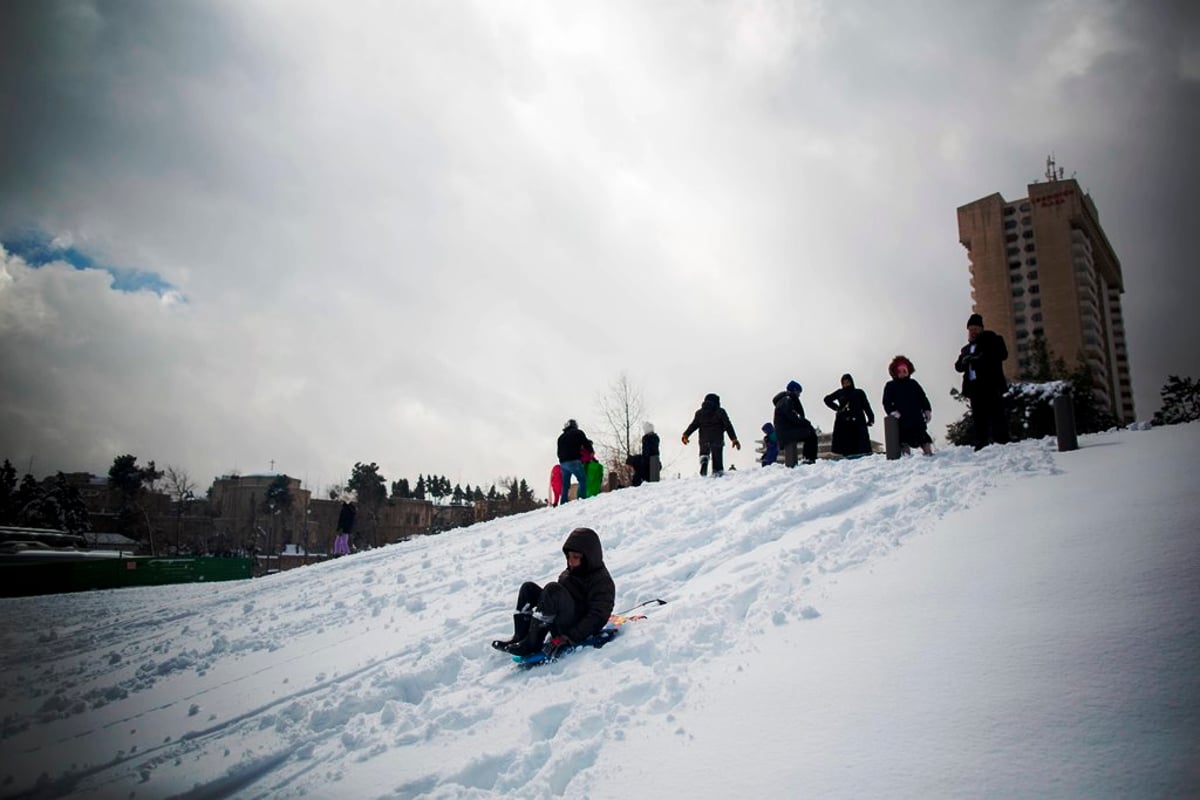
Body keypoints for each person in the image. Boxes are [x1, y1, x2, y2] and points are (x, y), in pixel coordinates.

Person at [492, 527, 616, 658]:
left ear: (589, 557)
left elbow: (598, 616)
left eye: (576, 557)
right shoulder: (572, 571)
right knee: (528, 588)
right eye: (568, 556)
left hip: (575, 629)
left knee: (553, 589)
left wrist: (569, 637)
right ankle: (520, 636)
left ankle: (532, 643)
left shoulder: (602, 581)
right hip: (562, 620)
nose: (570, 561)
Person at [955, 313, 1010, 450]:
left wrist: (980, 358)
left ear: (981, 329)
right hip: (974, 387)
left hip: (990, 384)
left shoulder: (993, 340)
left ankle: (1002, 440)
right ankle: (981, 442)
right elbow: (958, 367)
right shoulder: (966, 349)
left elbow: (1002, 354)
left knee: (996, 413)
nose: (972, 332)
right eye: (970, 330)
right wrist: (965, 360)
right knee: (979, 417)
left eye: (975, 329)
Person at [882, 355, 933, 456]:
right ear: (895, 373)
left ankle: (929, 453)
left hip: (917, 417)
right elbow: (886, 401)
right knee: (904, 440)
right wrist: (892, 412)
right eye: (899, 371)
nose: (902, 373)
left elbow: (923, 397)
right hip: (902, 419)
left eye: (904, 371)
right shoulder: (891, 386)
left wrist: (927, 410)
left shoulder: (913, 384)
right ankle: (907, 458)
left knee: (923, 437)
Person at [682, 393, 740, 476]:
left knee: (704, 452)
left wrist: (686, 435)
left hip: (704, 438)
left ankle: (704, 459)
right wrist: (734, 439)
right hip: (717, 438)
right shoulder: (721, 411)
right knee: (717, 460)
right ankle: (717, 472)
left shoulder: (699, 413)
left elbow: (693, 425)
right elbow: (728, 425)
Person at [823, 373, 876, 457]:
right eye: (844, 382)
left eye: (847, 382)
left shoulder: (859, 392)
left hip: (857, 422)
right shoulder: (840, 392)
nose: (846, 384)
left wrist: (871, 418)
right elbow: (827, 399)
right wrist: (837, 408)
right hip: (844, 423)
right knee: (845, 446)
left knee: (860, 446)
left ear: (851, 382)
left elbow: (866, 406)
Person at [773, 381, 818, 466]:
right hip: (786, 432)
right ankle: (809, 458)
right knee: (810, 434)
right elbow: (793, 417)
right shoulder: (787, 400)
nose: (799, 395)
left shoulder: (784, 400)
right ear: (794, 390)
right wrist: (806, 423)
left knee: (809, 431)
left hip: (785, 431)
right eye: (798, 392)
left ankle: (808, 458)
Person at [557, 419, 589, 502]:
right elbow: (586, 443)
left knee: (565, 484)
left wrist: (562, 460)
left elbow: (558, 452)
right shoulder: (578, 433)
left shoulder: (560, 437)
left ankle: (563, 501)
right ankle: (582, 499)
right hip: (574, 460)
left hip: (563, 463)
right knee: (582, 479)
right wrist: (591, 451)